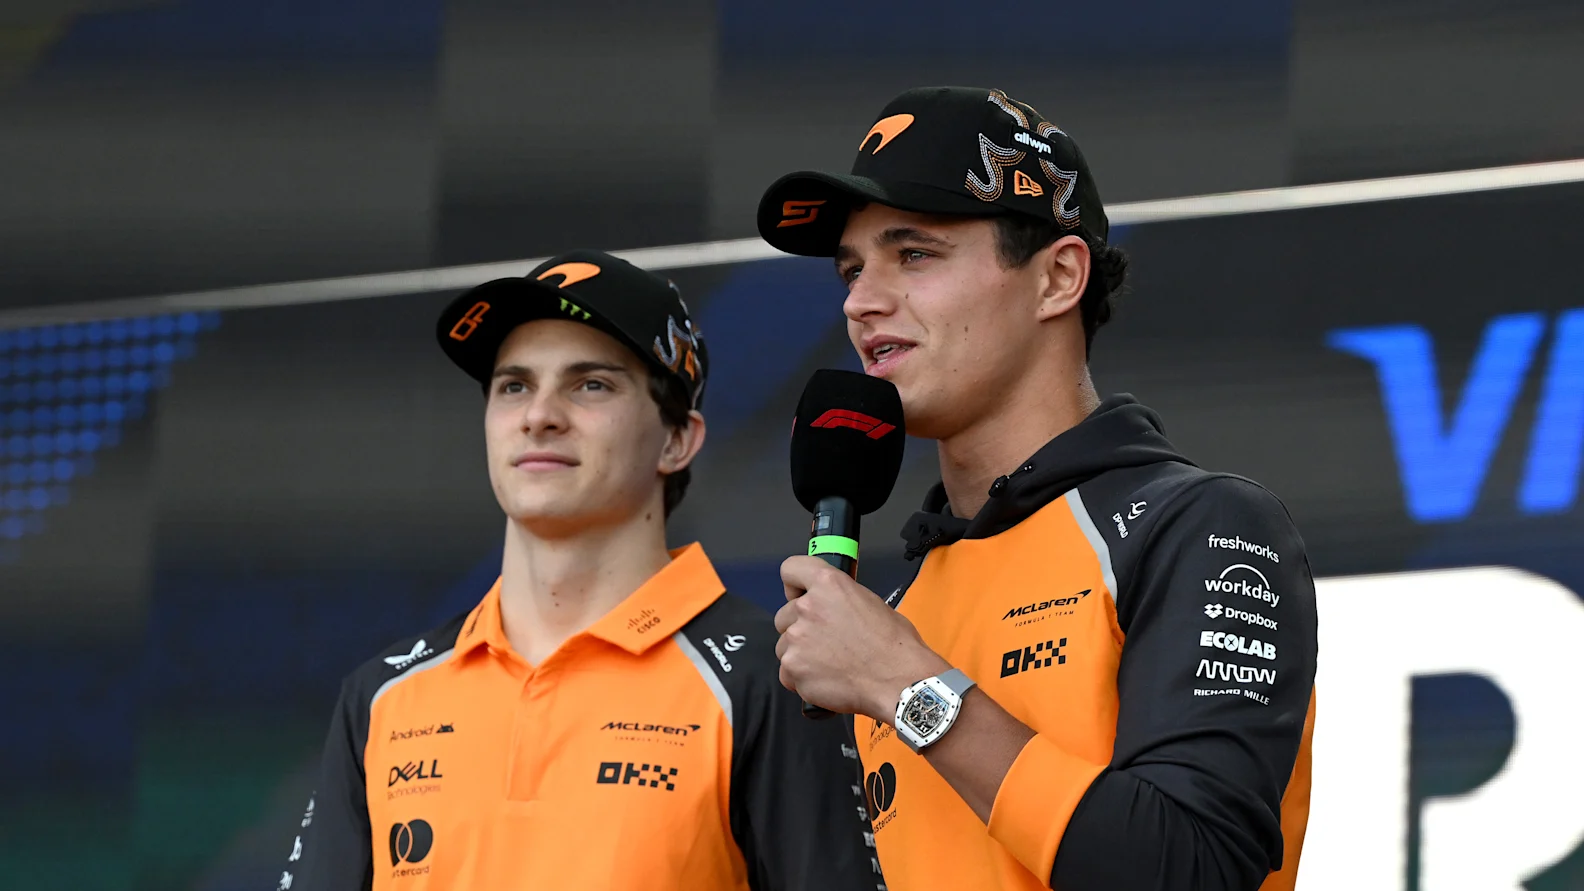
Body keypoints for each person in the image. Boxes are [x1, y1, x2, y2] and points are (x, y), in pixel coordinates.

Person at [757, 86, 1317, 891]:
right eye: (851, 269)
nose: (860, 301)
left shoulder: (1202, 525)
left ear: (1057, 278)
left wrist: (910, 688)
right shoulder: (897, 610)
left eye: (913, 254)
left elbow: (1191, 867)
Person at [279, 250, 883, 891]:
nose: (539, 415)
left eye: (590, 384)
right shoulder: (383, 696)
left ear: (677, 439)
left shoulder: (780, 677)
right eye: (514, 386)